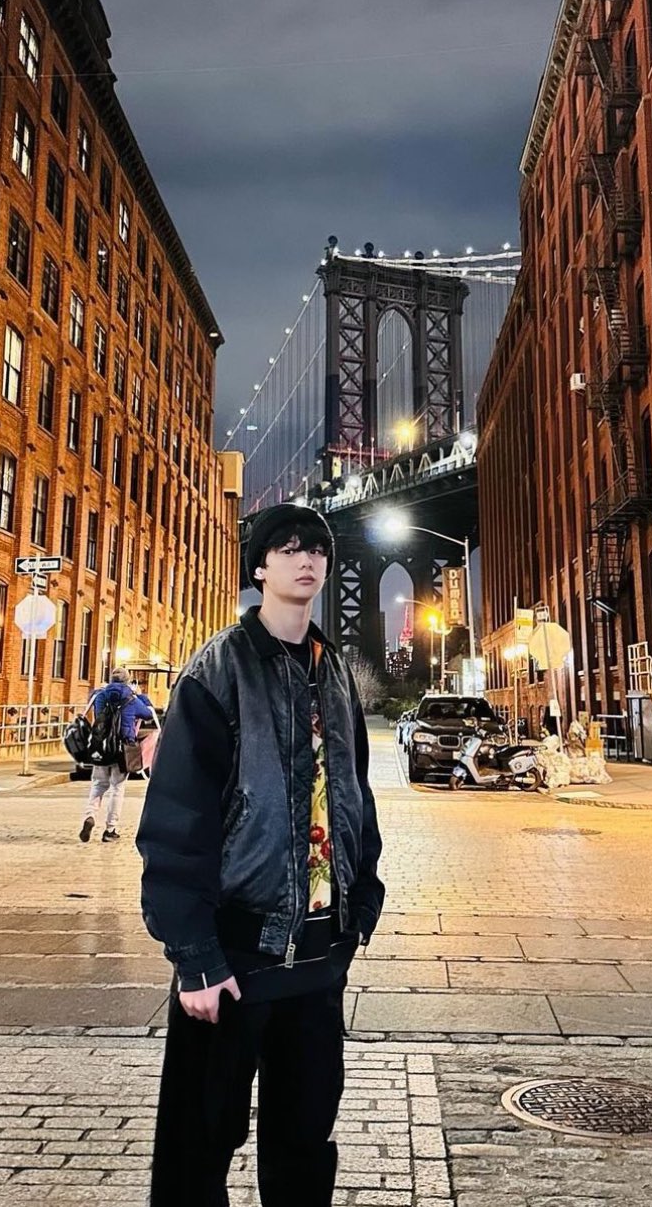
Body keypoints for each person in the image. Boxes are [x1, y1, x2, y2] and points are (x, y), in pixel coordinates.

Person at [137, 503, 385, 1207]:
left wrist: (361, 899)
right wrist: (195, 956)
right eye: (288, 547)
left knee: (304, 1145)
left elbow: (354, 794)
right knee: (196, 1148)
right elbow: (177, 821)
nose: (306, 559)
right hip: (235, 956)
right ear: (259, 568)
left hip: (318, 957)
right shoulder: (216, 670)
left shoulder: (335, 673)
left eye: (317, 549)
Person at [79, 667, 152, 843]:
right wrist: (140, 696)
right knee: (117, 789)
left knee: (98, 785)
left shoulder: (100, 696)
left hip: (102, 747)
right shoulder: (132, 699)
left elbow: (92, 701)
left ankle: (90, 816)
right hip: (122, 749)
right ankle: (110, 829)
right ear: (127, 681)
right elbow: (148, 714)